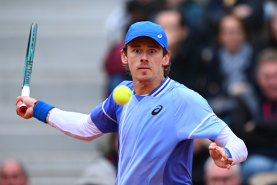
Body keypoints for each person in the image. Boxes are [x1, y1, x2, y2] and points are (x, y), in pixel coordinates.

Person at [16, 21, 247, 185]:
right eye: (137, 50)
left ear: (165, 58)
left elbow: (239, 145)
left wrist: (227, 154)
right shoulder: (122, 94)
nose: (144, 57)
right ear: (124, 56)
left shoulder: (183, 100)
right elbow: (86, 128)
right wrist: (38, 108)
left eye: (152, 51)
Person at [229, 48, 277, 183]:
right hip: (255, 158)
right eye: (267, 77)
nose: (273, 83)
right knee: (254, 166)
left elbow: (250, 132)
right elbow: (238, 134)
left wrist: (257, 125)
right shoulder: (247, 98)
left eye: (276, 76)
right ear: (258, 78)